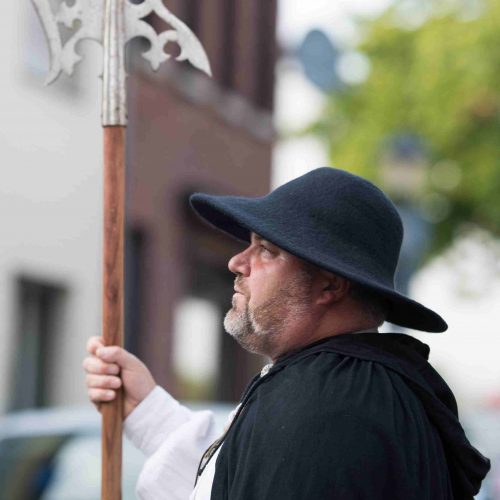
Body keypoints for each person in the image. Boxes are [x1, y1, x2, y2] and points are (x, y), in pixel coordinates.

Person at [83, 167, 490, 499]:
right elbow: (234, 480)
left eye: (266, 250)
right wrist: (148, 412)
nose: (237, 262)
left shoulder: (326, 404)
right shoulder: (351, 390)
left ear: (329, 286)